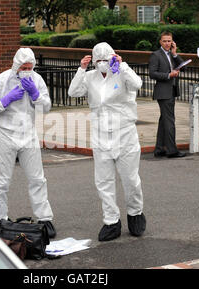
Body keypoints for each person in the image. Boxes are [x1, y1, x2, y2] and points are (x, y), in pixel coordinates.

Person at [68, 42, 146, 241]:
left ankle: (135, 213)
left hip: (125, 134)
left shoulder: (121, 73)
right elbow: (73, 92)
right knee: (103, 181)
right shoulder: (89, 76)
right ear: (94, 61)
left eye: (106, 59)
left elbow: (138, 84)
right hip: (101, 135)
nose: (103, 63)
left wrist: (123, 66)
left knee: (130, 180)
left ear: (113, 57)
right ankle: (111, 221)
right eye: (99, 60)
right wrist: (81, 69)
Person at [0, 48, 56, 238]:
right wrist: (5, 101)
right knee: (2, 180)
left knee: (37, 179)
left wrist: (35, 95)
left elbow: (46, 107)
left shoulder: (36, 80)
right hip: (4, 135)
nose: (26, 70)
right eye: (23, 67)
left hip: (28, 134)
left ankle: (45, 218)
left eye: (30, 67)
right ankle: (0, 220)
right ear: (16, 65)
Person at [149, 31, 186, 158]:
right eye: (164, 41)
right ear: (160, 42)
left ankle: (159, 149)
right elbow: (152, 73)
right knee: (170, 121)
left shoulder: (171, 54)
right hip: (163, 92)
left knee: (164, 121)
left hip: (171, 91)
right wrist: (168, 75)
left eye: (169, 41)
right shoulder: (156, 55)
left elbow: (184, 67)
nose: (167, 43)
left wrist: (175, 54)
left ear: (172, 42)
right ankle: (172, 150)